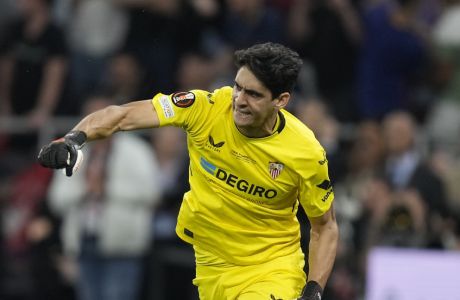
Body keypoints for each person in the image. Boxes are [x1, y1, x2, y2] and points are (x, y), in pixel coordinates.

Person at [37, 42, 339, 300]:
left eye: (254, 94)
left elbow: (324, 226)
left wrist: (313, 288)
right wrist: (75, 138)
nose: (239, 100)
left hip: (271, 268)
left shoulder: (305, 153)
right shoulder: (204, 108)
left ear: (281, 101)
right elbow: (123, 115)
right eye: (237, 87)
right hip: (211, 267)